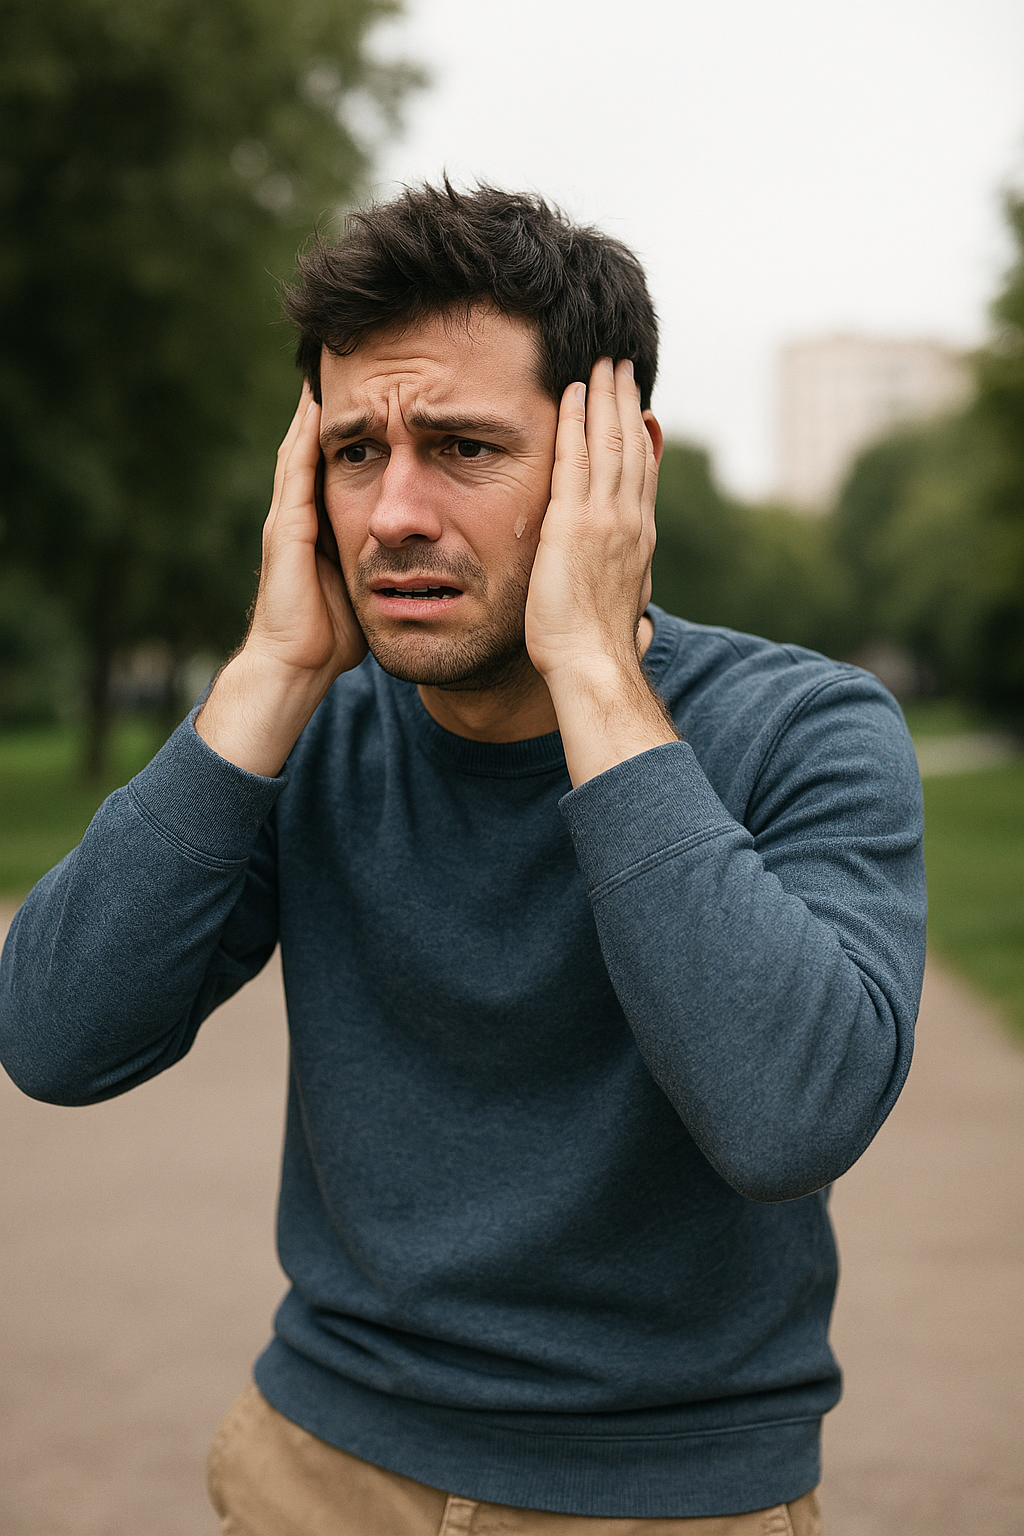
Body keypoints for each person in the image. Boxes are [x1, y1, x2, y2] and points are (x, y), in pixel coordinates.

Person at [0, 184, 926, 1535]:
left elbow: (787, 1116)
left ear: (616, 467)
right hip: (309, 1467)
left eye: (462, 447)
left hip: (664, 1502)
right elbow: (54, 1036)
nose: (392, 513)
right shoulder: (310, 727)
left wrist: (596, 670)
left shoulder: (807, 730)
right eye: (358, 451)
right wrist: (269, 669)